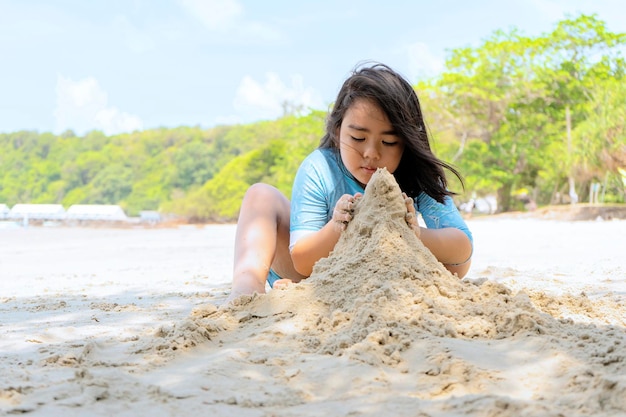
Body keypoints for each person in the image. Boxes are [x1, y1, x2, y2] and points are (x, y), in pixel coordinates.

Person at [227, 62, 473, 302]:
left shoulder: (413, 174)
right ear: (337, 131)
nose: (371, 153)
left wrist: (411, 234)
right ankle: (246, 287)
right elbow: (301, 260)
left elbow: (464, 248)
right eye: (357, 138)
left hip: (388, 275)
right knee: (260, 195)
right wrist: (337, 228)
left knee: (457, 267)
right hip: (312, 272)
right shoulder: (320, 168)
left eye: (388, 143)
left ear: (407, 142)